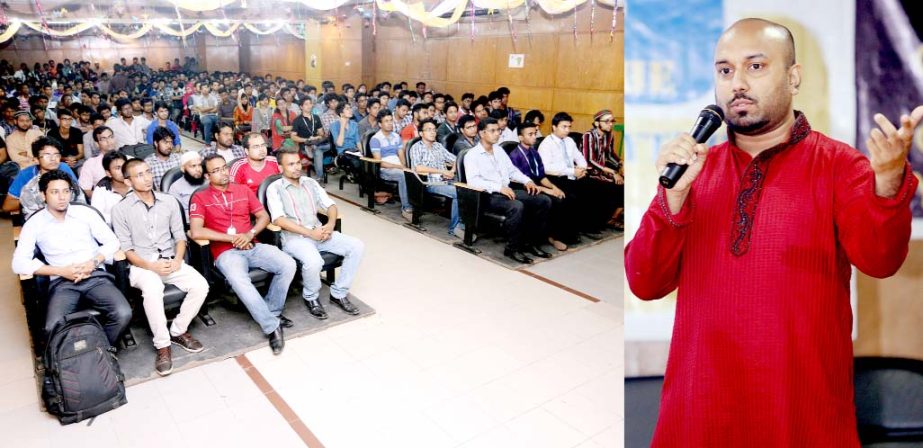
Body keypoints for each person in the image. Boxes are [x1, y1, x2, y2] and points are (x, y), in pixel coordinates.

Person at [625, 19, 922, 447]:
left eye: (756, 66)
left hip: (802, 416)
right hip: (699, 416)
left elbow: (881, 260)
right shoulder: (694, 170)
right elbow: (644, 282)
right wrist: (672, 197)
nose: (737, 83)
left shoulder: (840, 166)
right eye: (725, 70)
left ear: (794, 77)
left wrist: (889, 183)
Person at [189, 154, 296, 355]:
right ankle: (272, 326)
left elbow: (263, 216)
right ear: (206, 176)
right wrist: (232, 239)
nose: (223, 173)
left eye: (224, 168)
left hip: (252, 244)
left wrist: (250, 233)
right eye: (216, 170)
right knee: (239, 280)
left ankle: (271, 312)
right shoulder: (200, 197)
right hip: (226, 252)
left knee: (288, 264)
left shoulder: (242, 190)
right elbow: (196, 231)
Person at [11, 169, 132, 346]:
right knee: (53, 327)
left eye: (66, 191)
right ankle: (79, 357)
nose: (62, 197)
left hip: (95, 276)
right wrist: (61, 271)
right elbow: (18, 263)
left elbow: (112, 242)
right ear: (43, 195)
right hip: (62, 282)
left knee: (123, 314)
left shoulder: (85, 213)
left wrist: (94, 262)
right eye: (54, 192)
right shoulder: (34, 224)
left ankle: (99, 352)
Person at [112, 158, 209, 376]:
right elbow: (127, 250)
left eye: (148, 172)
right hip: (142, 265)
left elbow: (180, 237)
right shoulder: (120, 210)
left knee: (200, 285)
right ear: (128, 181)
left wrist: (177, 260)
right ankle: (162, 344)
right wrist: (151, 266)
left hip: (170, 260)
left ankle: (178, 330)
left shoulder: (169, 201)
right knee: (153, 288)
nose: (147, 178)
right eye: (139, 175)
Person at [267, 148, 364, 319]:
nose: (297, 167)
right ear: (280, 167)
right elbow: (278, 220)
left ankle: (338, 293)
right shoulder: (274, 188)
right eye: (290, 164)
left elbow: (331, 205)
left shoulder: (310, 182)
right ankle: (311, 297)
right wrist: (310, 233)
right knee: (314, 261)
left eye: (298, 162)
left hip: (320, 232)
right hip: (295, 238)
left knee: (356, 246)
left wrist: (330, 225)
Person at [462, 118, 551, 263]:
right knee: (517, 206)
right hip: (488, 195)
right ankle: (512, 248)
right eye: (493, 131)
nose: (497, 134)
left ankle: (531, 243)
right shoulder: (472, 155)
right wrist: (499, 188)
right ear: (482, 133)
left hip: (506, 191)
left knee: (543, 200)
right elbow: (473, 181)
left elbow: (512, 171)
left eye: (498, 130)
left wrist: (527, 180)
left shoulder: (499, 150)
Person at [508, 122, 573, 251]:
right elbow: (521, 181)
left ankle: (552, 235)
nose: (534, 137)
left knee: (562, 195)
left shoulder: (534, 152)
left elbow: (542, 177)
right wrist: (548, 191)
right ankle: (537, 239)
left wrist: (554, 188)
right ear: (521, 138)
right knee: (550, 200)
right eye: (530, 134)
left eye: (535, 134)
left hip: (536, 185)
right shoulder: (515, 155)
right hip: (522, 187)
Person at [407, 118, 462, 237]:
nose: (433, 132)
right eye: (429, 130)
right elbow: (418, 168)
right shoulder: (416, 147)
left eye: (434, 130)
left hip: (446, 180)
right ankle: (455, 228)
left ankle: (463, 224)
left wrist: (451, 171)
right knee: (458, 193)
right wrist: (442, 171)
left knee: (466, 190)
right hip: (429, 183)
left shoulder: (438, 146)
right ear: (421, 133)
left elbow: (456, 159)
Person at [4, 137, 84, 215]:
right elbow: (7, 206)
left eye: (56, 155)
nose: (53, 159)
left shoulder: (64, 168)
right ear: (36, 160)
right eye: (47, 155)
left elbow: (79, 197)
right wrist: (36, 199)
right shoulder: (27, 178)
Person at [583, 109, 624, 229]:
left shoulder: (609, 135)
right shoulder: (588, 136)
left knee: (626, 182)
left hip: (604, 170)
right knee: (616, 184)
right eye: (607, 121)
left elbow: (610, 154)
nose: (610, 124)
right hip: (591, 172)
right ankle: (608, 220)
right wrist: (613, 172)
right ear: (597, 123)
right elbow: (589, 160)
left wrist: (621, 163)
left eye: (612, 121)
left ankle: (613, 218)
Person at [369, 109, 412, 220]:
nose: (389, 123)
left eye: (391, 121)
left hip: (398, 165)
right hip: (385, 169)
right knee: (403, 175)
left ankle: (417, 205)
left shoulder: (396, 136)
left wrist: (405, 166)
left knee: (412, 173)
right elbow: (380, 162)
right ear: (380, 124)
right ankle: (406, 207)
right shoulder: (375, 139)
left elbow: (401, 154)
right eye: (386, 121)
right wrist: (400, 167)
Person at [291, 97, 327, 180]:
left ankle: (319, 176)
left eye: (310, 103)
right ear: (301, 107)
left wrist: (318, 136)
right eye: (306, 104)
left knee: (320, 148)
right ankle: (319, 176)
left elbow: (321, 133)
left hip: (318, 142)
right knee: (317, 151)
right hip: (305, 145)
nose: (309, 106)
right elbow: (293, 137)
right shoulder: (297, 120)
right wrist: (306, 140)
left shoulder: (316, 117)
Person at [90, 151, 130, 223]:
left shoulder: (137, 183)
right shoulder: (101, 191)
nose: (123, 170)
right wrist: (123, 218)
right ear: (109, 173)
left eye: (125, 166)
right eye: (118, 168)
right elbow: (97, 217)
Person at [79, 126, 117, 199]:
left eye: (111, 137)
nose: (109, 141)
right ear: (97, 143)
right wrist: (107, 197)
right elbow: (85, 190)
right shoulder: (90, 164)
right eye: (103, 139)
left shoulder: (127, 159)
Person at [167, 151, 205, 218]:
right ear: (183, 169)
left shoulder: (208, 181)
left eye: (200, 165)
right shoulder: (175, 188)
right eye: (193, 166)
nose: (198, 169)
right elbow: (178, 214)